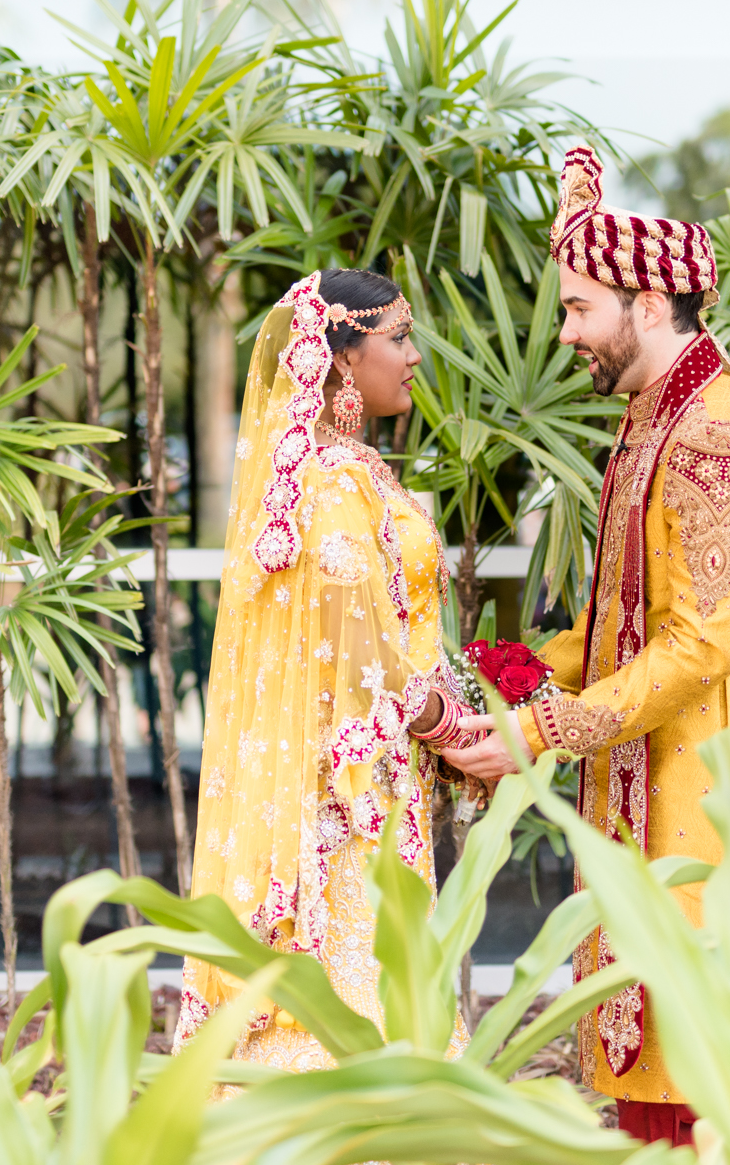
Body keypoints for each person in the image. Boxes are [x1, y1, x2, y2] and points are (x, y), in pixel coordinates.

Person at [443, 146, 730, 1146]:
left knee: (692, 1076)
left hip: (698, 806)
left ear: (647, 304)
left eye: (577, 308)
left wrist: (538, 727)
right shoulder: (652, 417)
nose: (563, 334)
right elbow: (622, 624)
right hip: (643, 790)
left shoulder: (714, 437)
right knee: (650, 1076)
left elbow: (695, 650)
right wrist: (507, 673)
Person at [172, 268, 475, 1071]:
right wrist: (451, 725)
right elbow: (361, 657)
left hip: (368, 771)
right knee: (354, 991)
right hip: (349, 792)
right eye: (397, 339)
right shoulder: (333, 482)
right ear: (344, 359)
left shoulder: (351, 470)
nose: (413, 356)